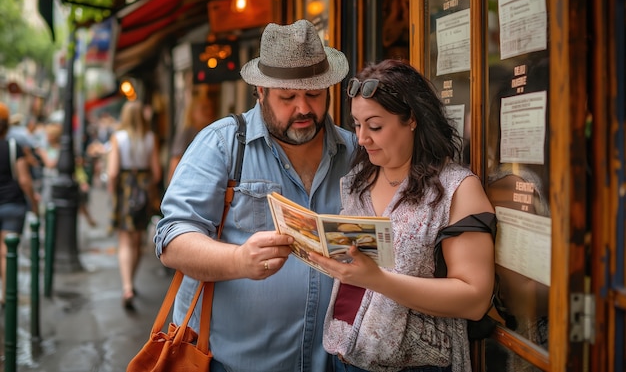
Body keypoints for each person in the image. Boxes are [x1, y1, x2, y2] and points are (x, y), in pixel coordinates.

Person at [154, 19, 355, 372]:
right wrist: (239, 261)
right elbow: (171, 240)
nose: (303, 109)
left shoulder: (355, 152)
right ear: (260, 92)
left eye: (313, 94)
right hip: (227, 364)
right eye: (288, 98)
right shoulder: (222, 144)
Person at [307, 59, 496, 372]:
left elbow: (474, 299)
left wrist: (379, 280)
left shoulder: (457, 189)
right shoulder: (358, 180)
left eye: (375, 126)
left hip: (416, 366)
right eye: (356, 124)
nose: (362, 138)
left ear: (411, 119)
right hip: (343, 356)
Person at [107, 101, 162, 309]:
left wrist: (112, 191)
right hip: (143, 190)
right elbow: (156, 173)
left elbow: (112, 171)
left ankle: (127, 286)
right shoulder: (150, 138)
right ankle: (132, 281)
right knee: (137, 240)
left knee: (124, 241)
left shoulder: (117, 138)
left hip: (124, 190)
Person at [0, 102, 39, 306]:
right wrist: (34, 203)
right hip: (12, 206)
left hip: (10, 205)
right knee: (7, 253)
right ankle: (7, 295)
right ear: (7, 125)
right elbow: (24, 180)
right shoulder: (13, 147)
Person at [167, 86, 216, 183]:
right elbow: (175, 162)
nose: (209, 111)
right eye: (204, 108)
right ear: (193, 112)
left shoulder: (213, 133)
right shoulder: (187, 134)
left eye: (211, 108)